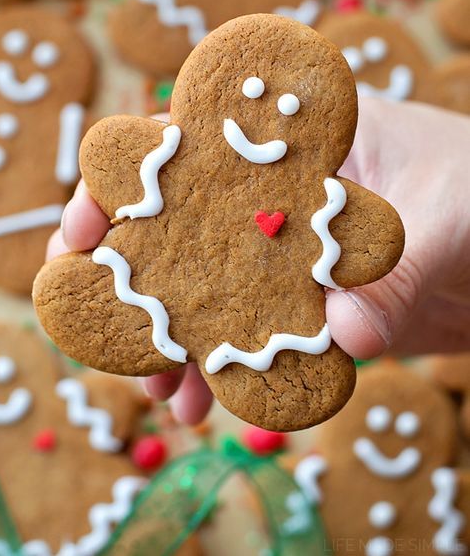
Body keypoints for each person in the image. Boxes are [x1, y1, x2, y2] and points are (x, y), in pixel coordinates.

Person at [46, 97, 470, 425]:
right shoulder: (165, 164)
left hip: (275, 340)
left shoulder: (327, 202)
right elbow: (110, 151)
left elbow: (373, 237)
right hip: (159, 302)